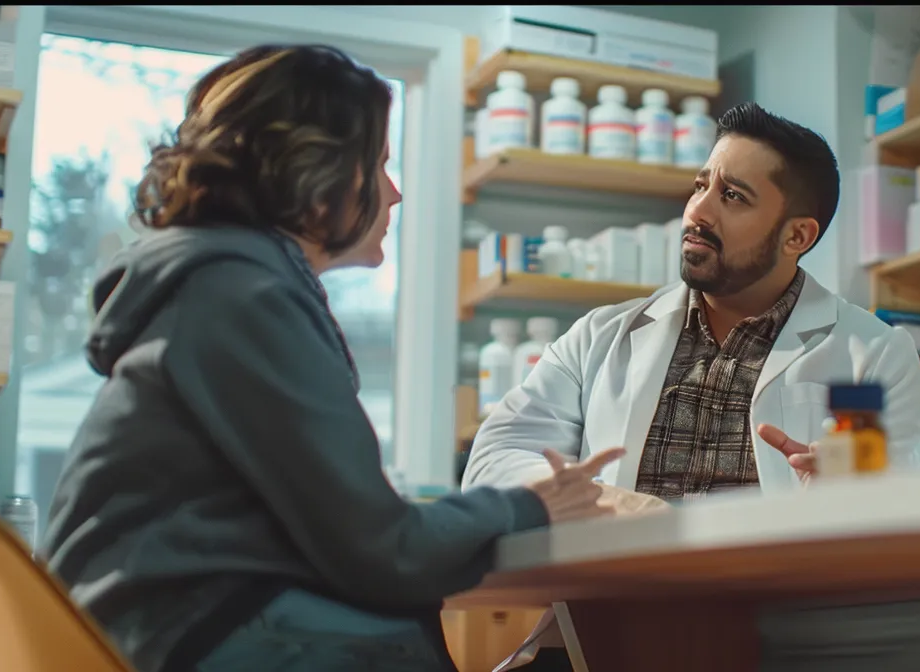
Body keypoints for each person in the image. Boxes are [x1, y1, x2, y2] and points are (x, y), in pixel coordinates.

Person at [40, 45, 620, 672]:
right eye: (378, 167)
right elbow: (380, 549)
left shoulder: (220, 285)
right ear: (313, 176)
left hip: (152, 623)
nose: (394, 195)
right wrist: (533, 504)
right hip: (189, 633)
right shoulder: (243, 297)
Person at [464, 101, 920, 670]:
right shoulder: (601, 336)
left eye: (732, 196)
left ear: (797, 235)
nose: (698, 211)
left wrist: (850, 501)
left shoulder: (874, 352)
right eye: (700, 186)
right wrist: (614, 505)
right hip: (601, 635)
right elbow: (494, 460)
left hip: (772, 643)